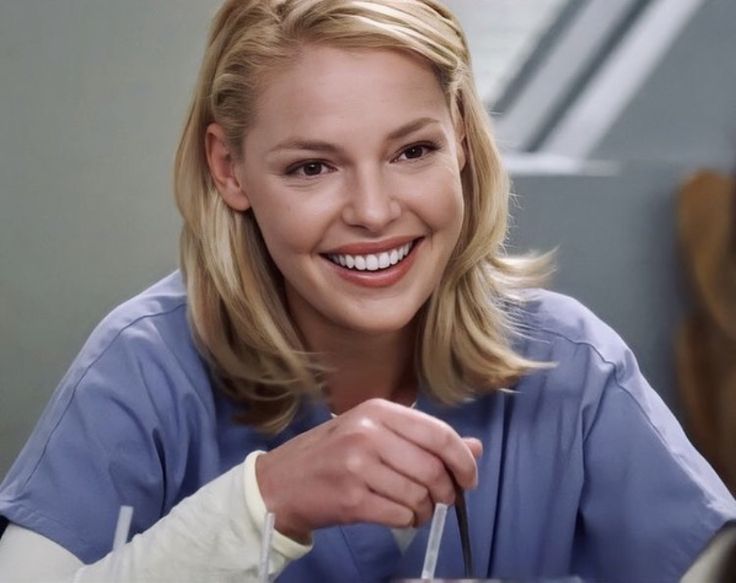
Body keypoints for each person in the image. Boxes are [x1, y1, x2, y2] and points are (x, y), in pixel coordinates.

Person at [0, 0, 734, 581]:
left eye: (412, 151)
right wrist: (265, 503)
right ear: (229, 169)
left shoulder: (571, 365)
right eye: (312, 167)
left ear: (463, 144)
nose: (375, 211)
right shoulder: (142, 370)